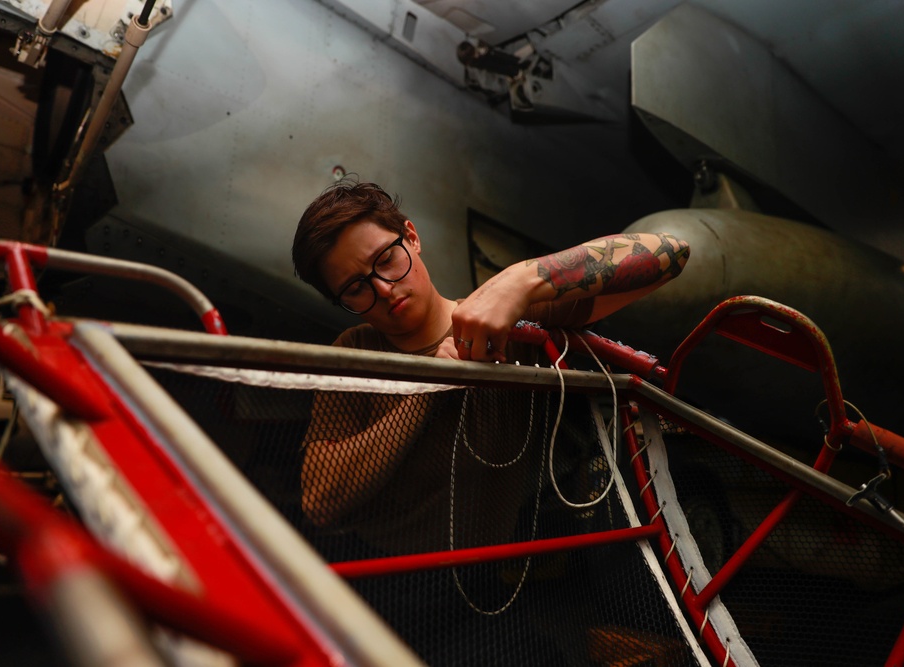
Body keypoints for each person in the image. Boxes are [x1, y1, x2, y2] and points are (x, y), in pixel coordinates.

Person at [291, 179, 689, 555]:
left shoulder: (506, 318)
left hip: (495, 571)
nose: (382, 288)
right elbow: (320, 500)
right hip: (386, 572)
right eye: (355, 288)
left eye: (385, 259)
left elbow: (670, 252)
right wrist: (427, 387)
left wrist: (521, 281)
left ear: (412, 238)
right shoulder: (355, 351)